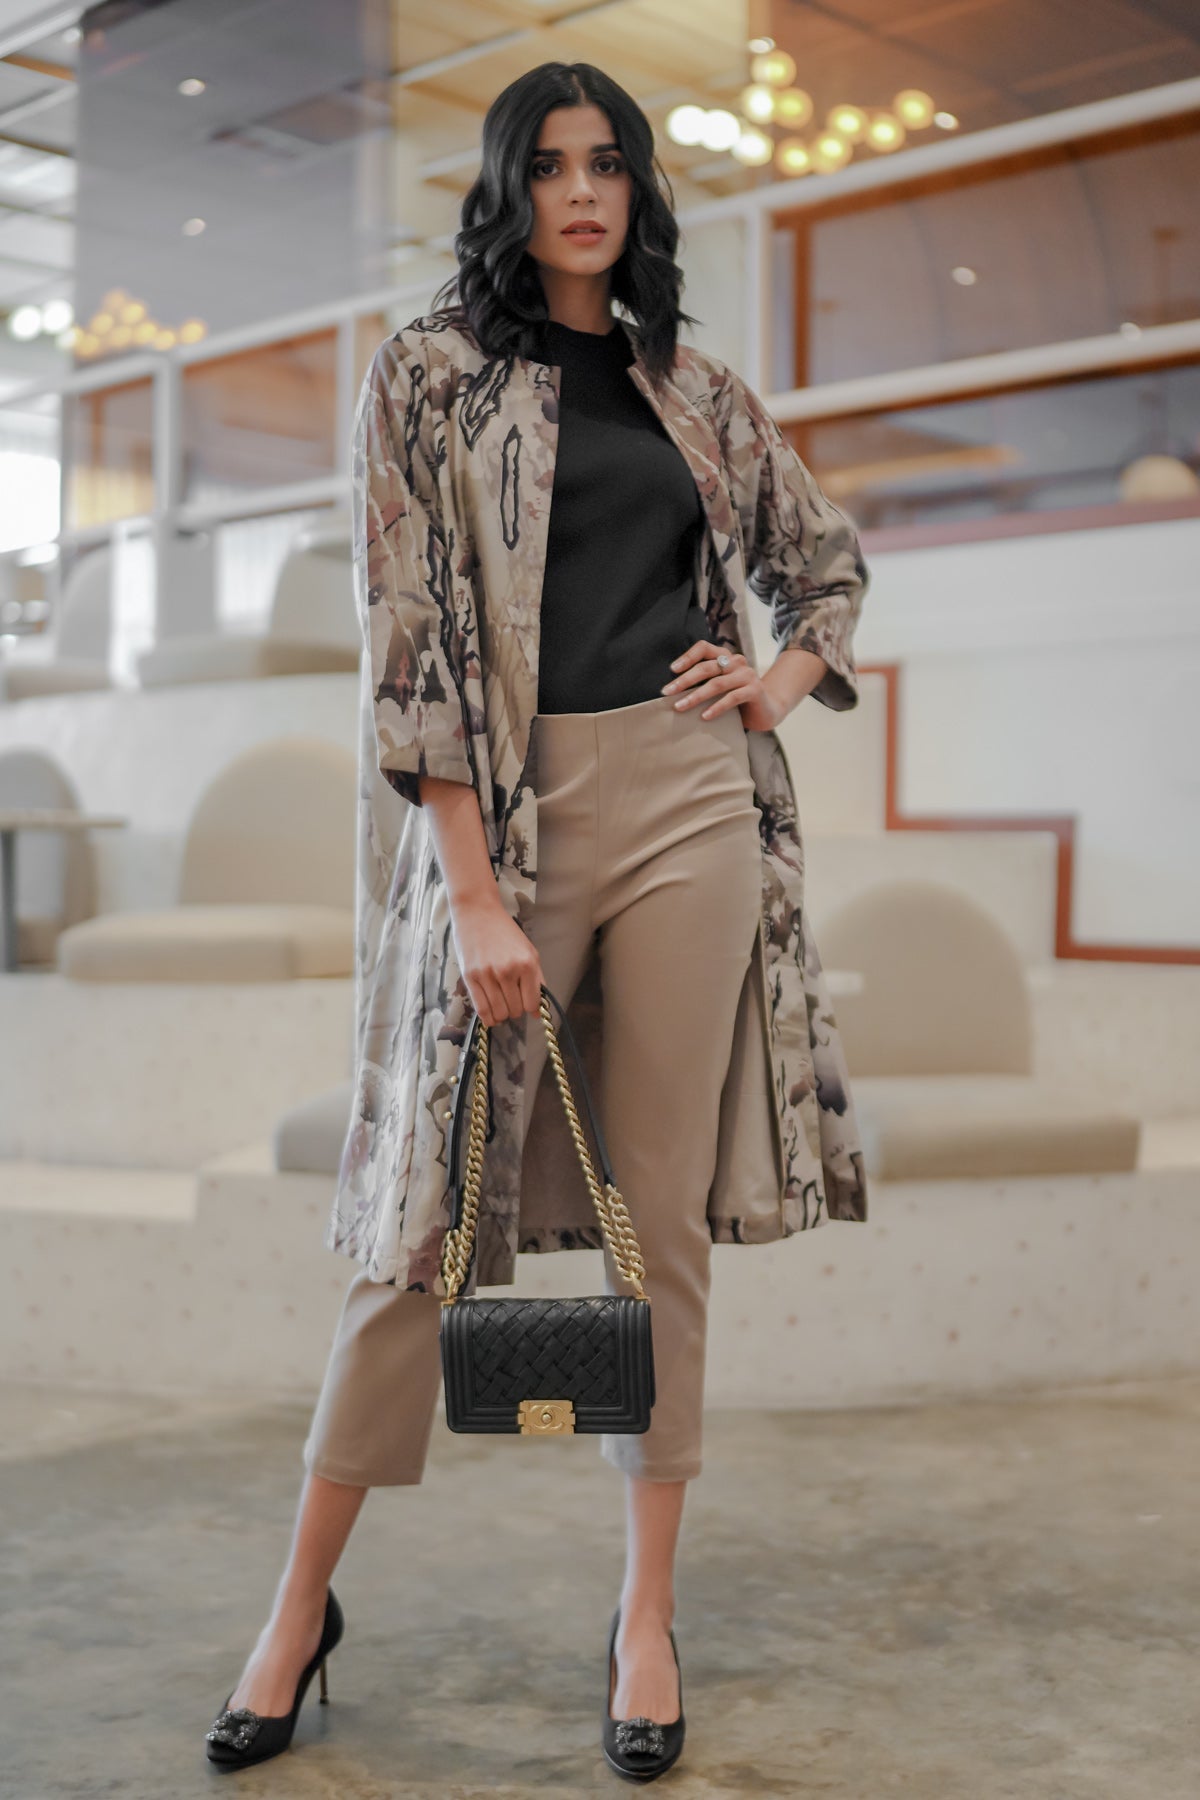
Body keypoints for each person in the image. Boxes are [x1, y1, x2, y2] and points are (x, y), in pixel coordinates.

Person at [204, 59, 870, 1784]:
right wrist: (475, 895)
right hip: (500, 824)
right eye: (551, 165)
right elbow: (410, 649)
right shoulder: (426, 374)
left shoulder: (695, 389)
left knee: (662, 1225)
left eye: (609, 164)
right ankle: (296, 1608)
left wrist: (768, 687)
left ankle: (645, 1616)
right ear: (508, 190)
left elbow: (826, 567)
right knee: (419, 1223)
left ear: (640, 190)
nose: (583, 192)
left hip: (688, 801)